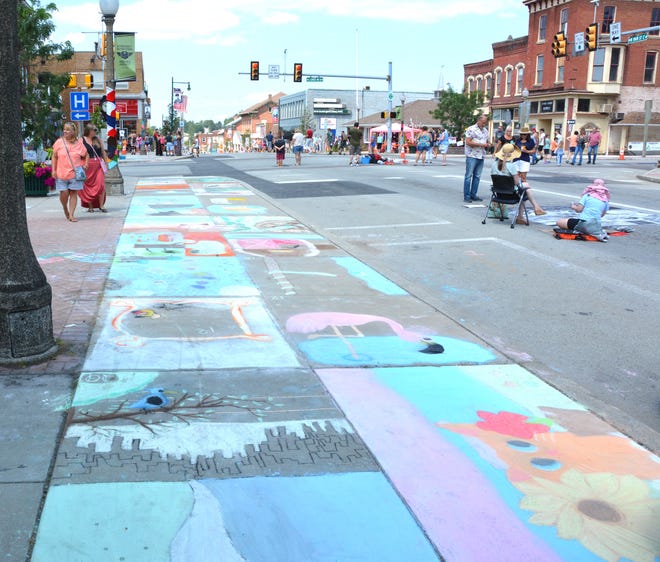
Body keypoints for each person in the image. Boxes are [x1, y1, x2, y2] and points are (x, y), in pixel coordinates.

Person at [491, 143, 546, 224]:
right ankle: (525, 213)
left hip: (499, 193)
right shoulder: (511, 166)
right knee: (526, 189)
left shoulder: (494, 165)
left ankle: (535, 208)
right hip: (510, 194)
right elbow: (517, 183)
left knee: (525, 189)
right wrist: (518, 178)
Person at [51, 121, 88, 222]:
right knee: (64, 193)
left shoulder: (79, 144)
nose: (65, 131)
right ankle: (65, 208)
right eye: (64, 129)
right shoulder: (59, 142)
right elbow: (54, 156)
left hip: (75, 173)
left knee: (73, 193)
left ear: (73, 132)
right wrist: (53, 170)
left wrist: (85, 164)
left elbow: (86, 154)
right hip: (61, 174)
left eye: (68, 130)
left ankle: (71, 214)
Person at [463, 114, 491, 202]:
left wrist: (489, 145)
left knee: (477, 176)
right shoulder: (471, 129)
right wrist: (481, 144)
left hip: (481, 155)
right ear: (478, 121)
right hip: (472, 155)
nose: (484, 124)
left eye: (485, 123)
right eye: (483, 122)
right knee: (468, 176)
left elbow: (488, 141)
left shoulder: (485, 131)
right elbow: (468, 142)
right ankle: (467, 195)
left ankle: (473, 194)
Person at [79, 124, 107, 213]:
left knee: (101, 185)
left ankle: (101, 205)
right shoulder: (81, 140)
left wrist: (106, 164)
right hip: (87, 165)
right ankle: (90, 206)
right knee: (88, 186)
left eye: (95, 130)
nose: (95, 132)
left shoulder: (98, 140)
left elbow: (103, 152)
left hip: (98, 165)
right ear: (88, 130)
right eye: (93, 130)